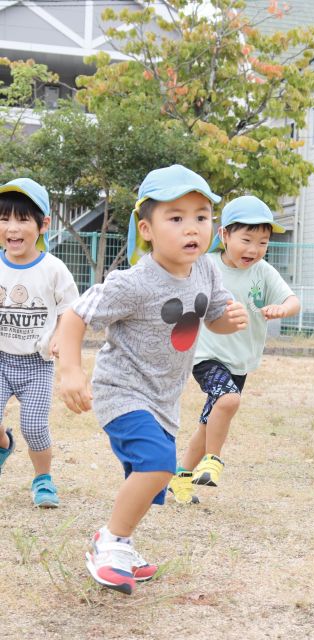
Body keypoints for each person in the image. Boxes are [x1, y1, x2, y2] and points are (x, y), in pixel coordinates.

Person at [56, 165, 249, 595]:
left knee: (152, 479)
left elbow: (213, 318)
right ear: (147, 228)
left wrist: (228, 320)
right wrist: (71, 370)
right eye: (175, 218)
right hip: (121, 390)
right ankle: (109, 542)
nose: (192, 228)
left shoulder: (207, 271)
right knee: (160, 465)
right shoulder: (134, 282)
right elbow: (75, 315)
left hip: (163, 396)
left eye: (201, 216)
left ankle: (122, 544)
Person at [168, 195, 300, 505]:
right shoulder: (206, 266)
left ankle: (180, 479)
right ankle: (212, 462)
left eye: (263, 242)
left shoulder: (263, 272)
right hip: (205, 355)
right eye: (247, 239)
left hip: (240, 361)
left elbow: (292, 300)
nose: (254, 249)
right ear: (223, 235)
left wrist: (282, 310)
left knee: (209, 422)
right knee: (228, 399)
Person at [0, 178, 78, 507]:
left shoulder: (54, 270)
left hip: (36, 364)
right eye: (4, 219)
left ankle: (42, 479)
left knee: (34, 428)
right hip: (1, 359)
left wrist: (62, 336)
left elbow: (70, 310)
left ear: (43, 224)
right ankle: (4, 444)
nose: (12, 228)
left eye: (22, 219)